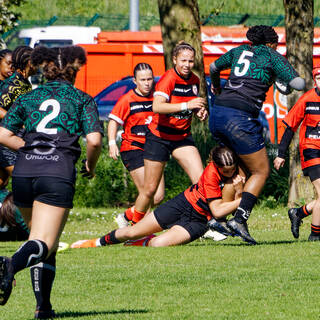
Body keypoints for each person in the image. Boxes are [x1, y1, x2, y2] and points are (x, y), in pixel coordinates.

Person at [0, 45, 103, 319]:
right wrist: (89, 166)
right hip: (56, 172)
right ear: (74, 70)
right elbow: (94, 140)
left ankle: (43, 307)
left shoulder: (29, 97)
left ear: (45, 70)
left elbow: (2, 134)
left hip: (23, 172)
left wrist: (31, 147)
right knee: (44, 242)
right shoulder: (81, 99)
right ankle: (8, 265)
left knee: (43, 241)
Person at [209, 25, 305, 244]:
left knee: (237, 171)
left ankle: (220, 220)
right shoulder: (272, 55)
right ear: (271, 43)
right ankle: (239, 220)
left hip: (218, 113)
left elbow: (214, 67)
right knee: (261, 171)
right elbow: (298, 83)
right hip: (240, 118)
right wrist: (282, 79)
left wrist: (217, 88)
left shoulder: (239, 50)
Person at [71, 146, 245, 249]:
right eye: (225, 171)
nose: (229, 173)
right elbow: (218, 209)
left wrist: (239, 191)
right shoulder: (210, 174)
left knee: (158, 245)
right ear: (215, 165)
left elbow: (225, 211)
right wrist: (242, 199)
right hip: (182, 205)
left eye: (232, 169)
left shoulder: (237, 174)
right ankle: (93, 243)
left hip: (199, 222)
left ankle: (143, 241)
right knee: (131, 231)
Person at [128, 41, 208, 225]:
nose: (187, 65)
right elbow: (157, 106)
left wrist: (198, 111)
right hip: (159, 137)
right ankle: (133, 227)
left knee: (202, 183)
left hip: (182, 137)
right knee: (150, 191)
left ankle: (202, 223)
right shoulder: (168, 79)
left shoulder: (195, 80)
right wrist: (186, 105)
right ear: (174, 60)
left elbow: (190, 105)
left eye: (190, 61)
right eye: (183, 61)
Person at [108, 63, 165, 227]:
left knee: (158, 196)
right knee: (146, 193)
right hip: (133, 148)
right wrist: (112, 143)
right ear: (135, 81)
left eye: (150, 79)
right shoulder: (128, 99)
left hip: (154, 148)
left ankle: (126, 217)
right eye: (143, 80)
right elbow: (113, 122)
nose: (147, 83)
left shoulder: (158, 97)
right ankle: (139, 232)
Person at [274, 63, 320, 241]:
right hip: (311, 150)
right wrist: (280, 154)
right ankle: (315, 235)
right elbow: (289, 127)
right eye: (318, 78)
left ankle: (298, 213)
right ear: (314, 80)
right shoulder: (307, 99)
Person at [0, 46, 36, 189]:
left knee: (3, 181)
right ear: (28, 63)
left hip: (14, 136)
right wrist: (17, 121)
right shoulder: (13, 84)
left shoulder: (24, 82)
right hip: (5, 138)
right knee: (25, 177)